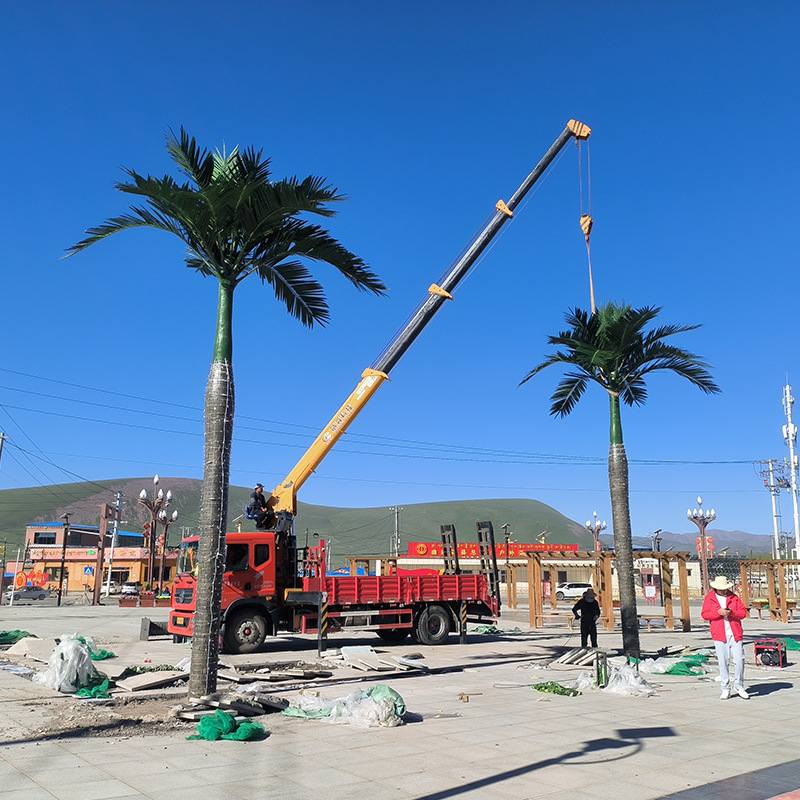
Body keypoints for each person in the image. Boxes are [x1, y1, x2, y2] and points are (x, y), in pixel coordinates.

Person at [701, 575, 749, 700]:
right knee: (723, 661)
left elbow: (743, 613)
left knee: (739, 660)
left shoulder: (734, 598)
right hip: (719, 634)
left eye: (724, 588)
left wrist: (732, 613)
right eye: (721, 589)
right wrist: (718, 613)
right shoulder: (709, 598)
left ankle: (739, 685)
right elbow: (705, 614)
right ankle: (725, 688)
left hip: (735, 633)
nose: (723, 591)